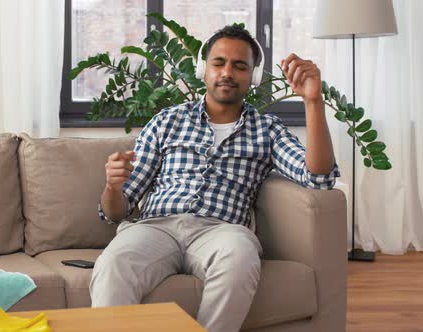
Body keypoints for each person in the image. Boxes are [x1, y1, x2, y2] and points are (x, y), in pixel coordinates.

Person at [90, 24, 339, 332]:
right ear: (203, 70)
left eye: (240, 66)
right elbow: (116, 211)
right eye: (218, 63)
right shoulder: (167, 121)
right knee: (114, 262)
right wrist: (113, 186)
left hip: (222, 232)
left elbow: (319, 179)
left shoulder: (268, 130)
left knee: (240, 256)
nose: (227, 73)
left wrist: (313, 102)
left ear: (254, 76)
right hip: (156, 228)